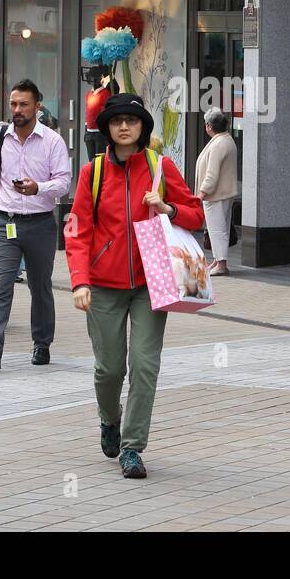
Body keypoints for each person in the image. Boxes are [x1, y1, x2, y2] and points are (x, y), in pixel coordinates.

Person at [67, 93, 204, 479]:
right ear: (107, 128)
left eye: (132, 120)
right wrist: (79, 281)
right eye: (116, 121)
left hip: (152, 282)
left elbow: (195, 214)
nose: (124, 126)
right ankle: (109, 420)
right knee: (109, 369)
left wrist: (168, 208)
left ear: (143, 127)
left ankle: (132, 448)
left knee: (144, 367)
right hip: (103, 284)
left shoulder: (161, 166)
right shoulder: (92, 174)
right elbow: (77, 231)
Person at [0, 79, 72, 370]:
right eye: (13, 104)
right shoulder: (0, 136)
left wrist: (38, 188)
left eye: (24, 104)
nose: (17, 110)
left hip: (40, 224)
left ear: (37, 107)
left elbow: (64, 182)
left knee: (40, 286)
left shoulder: (52, 140)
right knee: (0, 284)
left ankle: (42, 343)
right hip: (4, 222)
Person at [195, 107, 238, 276]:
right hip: (222, 193)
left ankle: (221, 264)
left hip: (216, 194)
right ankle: (217, 261)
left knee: (216, 229)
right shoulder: (225, 140)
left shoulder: (219, 143)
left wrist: (201, 193)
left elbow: (212, 174)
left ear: (209, 126)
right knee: (220, 228)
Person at [83, 65, 118, 161]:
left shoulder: (106, 93)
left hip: (100, 133)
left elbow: (115, 88)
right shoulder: (89, 94)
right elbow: (87, 113)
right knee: (91, 161)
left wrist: (108, 74)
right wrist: (86, 131)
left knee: (100, 161)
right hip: (89, 132)